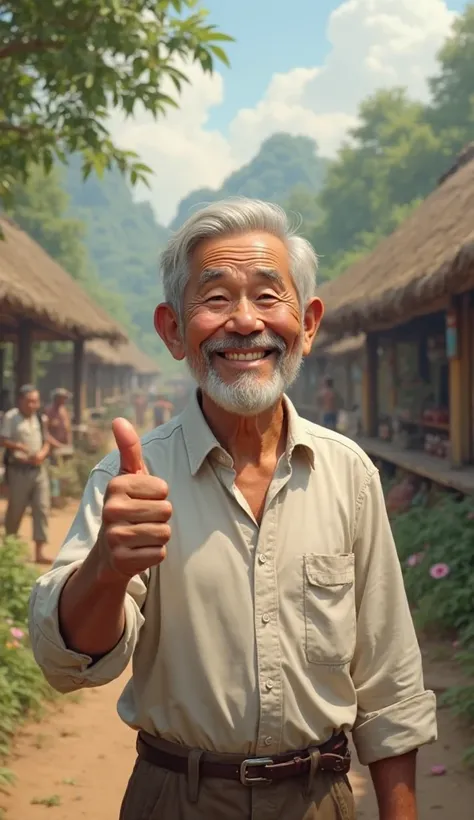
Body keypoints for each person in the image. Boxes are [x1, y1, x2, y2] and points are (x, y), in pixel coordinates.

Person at [29, 199, 436, 820]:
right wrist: (107, 568)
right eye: (215, 299)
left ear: (308, 323)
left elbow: (389, 680)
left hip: (320, 800)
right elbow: (69, 663)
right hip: (177, 799)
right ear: (171, 330)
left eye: (270, 297)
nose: (245, 322)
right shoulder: (131, 478)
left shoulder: (348, 473)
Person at [1, 384, 51, 564]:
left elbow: (47, 441)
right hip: (18, 471)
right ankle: (9, 549)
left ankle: (40, 552)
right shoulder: (11, 417)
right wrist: (19, 446)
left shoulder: (40, 417)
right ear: (20, 401)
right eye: (29, 401)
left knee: (42, 508)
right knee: (16, 509)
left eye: (36, 401)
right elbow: (3, 440)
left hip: (39, 470)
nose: (33, 405)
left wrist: (43, 453)